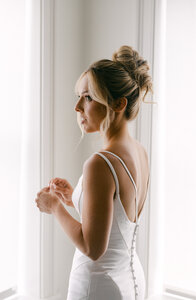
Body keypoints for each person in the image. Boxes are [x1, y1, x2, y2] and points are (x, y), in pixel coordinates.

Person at [35, 45, 153, 300]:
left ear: (118, 104)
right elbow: (117, 222)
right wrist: (75, 198)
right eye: (79, 96)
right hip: (131, 280)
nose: (78, 107)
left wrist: (55, 206)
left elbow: (93, 247)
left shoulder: (99, 163)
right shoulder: (140, 152)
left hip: (97, 285)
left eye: (88, 97)